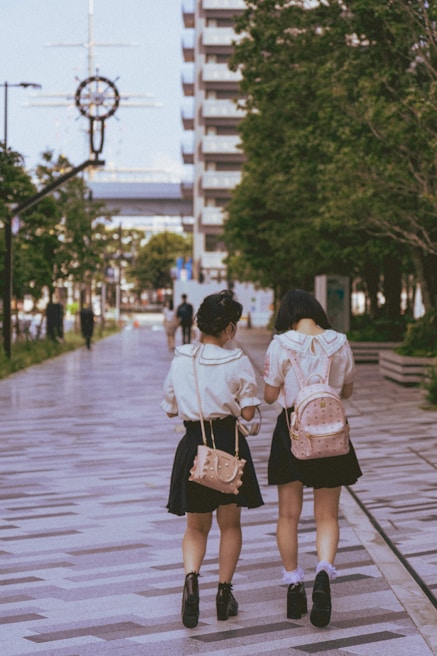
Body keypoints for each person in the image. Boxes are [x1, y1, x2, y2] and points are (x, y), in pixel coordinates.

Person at [161, 289, 264, 629]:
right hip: (228, 446)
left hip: (194, 446)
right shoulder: (237, 360)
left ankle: (191, 582)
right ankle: (224, 593)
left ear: (198, 323)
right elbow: (248, 411)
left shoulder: (181, 359)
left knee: (195, 526)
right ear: (230, 328)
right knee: (230, 524)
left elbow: (170, 407)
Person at [263, 289, 362, 628]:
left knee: (289, 514)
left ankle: (294, 585)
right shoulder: (340, 342)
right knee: (327, 514)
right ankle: (323, 572)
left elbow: (270, 394)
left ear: (288, 314)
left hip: (291, 431)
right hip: (331, 434)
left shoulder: (281, 344)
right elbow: (347, 391)